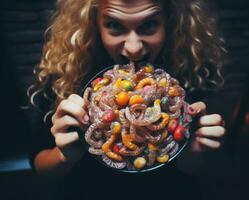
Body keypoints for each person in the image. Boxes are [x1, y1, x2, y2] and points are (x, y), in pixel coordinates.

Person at [27, 0, 226, 199]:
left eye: (149, 25)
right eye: (114, 25)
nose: (133, 49)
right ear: (93, 21)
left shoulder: (195, 72)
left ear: (169, 19)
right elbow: (38, 164)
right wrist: (63, 157)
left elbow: (195, 170)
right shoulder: (63, 75)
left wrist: (192, 152)